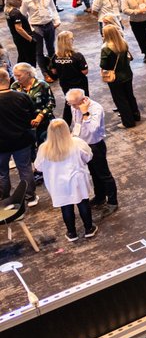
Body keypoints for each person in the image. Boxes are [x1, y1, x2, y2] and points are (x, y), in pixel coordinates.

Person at [34, 119, 96, 242]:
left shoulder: (44, 148)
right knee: (83, 203)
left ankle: (71, 233)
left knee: (66, 207)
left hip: (58, 184)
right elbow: (88, 156)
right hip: (77, 180)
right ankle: (89, 229)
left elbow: (38, 167)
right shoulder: (77, 143)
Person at [65, 88, 117, 211]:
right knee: (93, 173)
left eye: (74, 104)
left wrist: (85, 113)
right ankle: (100, 197)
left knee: (104, 175)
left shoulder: (96, 108)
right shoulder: (74, 106)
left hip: (95, 146)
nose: (72, 107)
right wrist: (74, 135)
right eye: (70, 104)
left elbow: (93, 129)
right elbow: (77, 123)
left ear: (83, 100)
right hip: (82, 145)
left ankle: (113, 201)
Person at [0, 68, 37, 204]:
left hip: (1, 145)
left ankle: (4, 199)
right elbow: (32, 116)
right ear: (9, 80)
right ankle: (30, 197)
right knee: (25, 169)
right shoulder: (22, 97)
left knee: (2, 173)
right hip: (22, 141)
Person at [47, 30, 90, 121]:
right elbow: (85, 71)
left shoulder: (55, 57)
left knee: (69, 102)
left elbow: (53, 71)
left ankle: (66, 124)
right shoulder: (77, 56)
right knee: (84, 102)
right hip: (79, 84)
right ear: (68, 42)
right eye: (71, 39)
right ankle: (86, 121)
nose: (73, 39)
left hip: (65, 84)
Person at [21, 0, 60, 70]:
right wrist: (31, 28)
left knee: (51, 48)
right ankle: (44, 72)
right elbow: (23, 16)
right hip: (36, 27)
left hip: (49, 24)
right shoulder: (25, 0)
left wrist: (57, 20)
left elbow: (53, 8)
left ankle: (54, 68)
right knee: (39, 51)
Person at [13, 61, 54, 149]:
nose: (16, 78)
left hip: (43, 122)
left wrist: (40, 116)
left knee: (45, 147)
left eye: (19, 75)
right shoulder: (15, 86)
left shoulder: (42, 85)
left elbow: (51, 103)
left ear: (28, 73)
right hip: (24, 125)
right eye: (15, 75)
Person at [6, 0, 38, 68]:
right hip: (24, 40)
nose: (21, 1)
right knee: (30, 59)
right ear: (13, 1)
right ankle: (30, 73)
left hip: (18, 39)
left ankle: (18, 71)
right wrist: (30, 39)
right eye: (19, 0)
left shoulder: (8, 11)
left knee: (22, 57)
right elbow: (19, 28)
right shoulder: (15, 13)